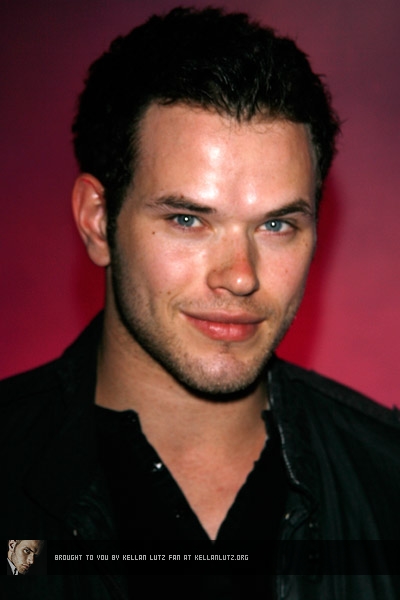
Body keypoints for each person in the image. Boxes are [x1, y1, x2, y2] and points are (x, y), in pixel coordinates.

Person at [1, 6, 399, 599]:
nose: (240, 277)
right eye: (188, 220)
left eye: (277, 225)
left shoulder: (388, 480)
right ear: (97, 222)